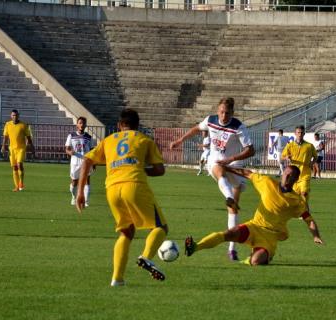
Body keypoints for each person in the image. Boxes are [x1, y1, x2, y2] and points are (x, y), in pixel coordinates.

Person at [76, 109, 168, 287]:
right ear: (137, 125)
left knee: (126, 232)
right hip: (134, 185)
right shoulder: (144, 139)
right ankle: (146, 257)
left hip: (111, 190)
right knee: (160, 227)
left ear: (119, 125)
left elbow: (87, 161)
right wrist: (143, 169)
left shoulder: (108, 140)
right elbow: (160, 170)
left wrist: (80, 192)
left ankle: (117, 279)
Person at [170, 97, 255, 261]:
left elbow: (250, 150)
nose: (224, 116)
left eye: (227, 113)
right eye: (222, 112)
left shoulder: (238, 127)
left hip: (233, 162)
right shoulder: (211, 120)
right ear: (218, 111)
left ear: (232, 113)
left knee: (233, 210)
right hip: (216, 159)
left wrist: (231, 159)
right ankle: (228, 196)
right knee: (218, 170)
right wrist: (180, 140)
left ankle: (232, 248)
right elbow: (196, 129)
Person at [184, 165, 323, 265]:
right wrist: (226, 168)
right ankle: (195, 247)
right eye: (285, 173)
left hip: (270, 237)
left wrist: (316, 236)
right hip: (254, 227)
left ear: (296, 179)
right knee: (228, 234)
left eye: (290, 176)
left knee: (256, 261)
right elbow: (247, 173)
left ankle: (254, 258)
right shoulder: (267, 182)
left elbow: (308, 219)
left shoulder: (296, 200)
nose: (286, 177)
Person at [1, 109, 35, 192]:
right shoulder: (8, 124)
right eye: (13, 115)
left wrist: (32, 147)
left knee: (19, 164)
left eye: (16, 115)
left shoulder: (23, 125)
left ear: (18, 116)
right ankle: (16, 186)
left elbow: (28, 137)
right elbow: (5, 137)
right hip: (12, 148)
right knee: (14, 167)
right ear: (11, 116)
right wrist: (3, 146)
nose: (14, 117)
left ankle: (21, 183)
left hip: (21, 148)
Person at [281, 125, 317, 201]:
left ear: (304, 134)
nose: (300, 134)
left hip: (305, 174)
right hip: (293, 176)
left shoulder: (309, 146)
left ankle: (306, 210)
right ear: (295, 133)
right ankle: (298, 211)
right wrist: (286, 157)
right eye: (298, 132)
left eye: (301, 132)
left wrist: (312, 162)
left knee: (304, 193)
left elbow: (315, 157)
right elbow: (282, 157)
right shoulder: (290, 145)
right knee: (295, 197)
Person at [65, 117, 94, 207]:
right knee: (74, 182)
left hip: (86, 161)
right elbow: (67, 149)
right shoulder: (71, 135)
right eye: (80, 123)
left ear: (85, 125)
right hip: (75, 162)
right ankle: (74, 197)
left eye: (83, 123)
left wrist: (94, 163)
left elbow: (92, 151)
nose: (82, 125)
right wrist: (70, 152)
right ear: (77, 124)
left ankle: (86, 201)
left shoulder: (89, 137)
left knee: (87, 181)